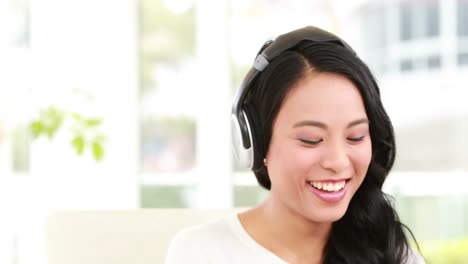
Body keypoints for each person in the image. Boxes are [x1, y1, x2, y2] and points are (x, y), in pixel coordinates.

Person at [165, 26, 426, 264]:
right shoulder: (201, 253)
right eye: (311, 140)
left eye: (355, 136)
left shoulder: (394, 257)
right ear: (256, 143)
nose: (337, 161)